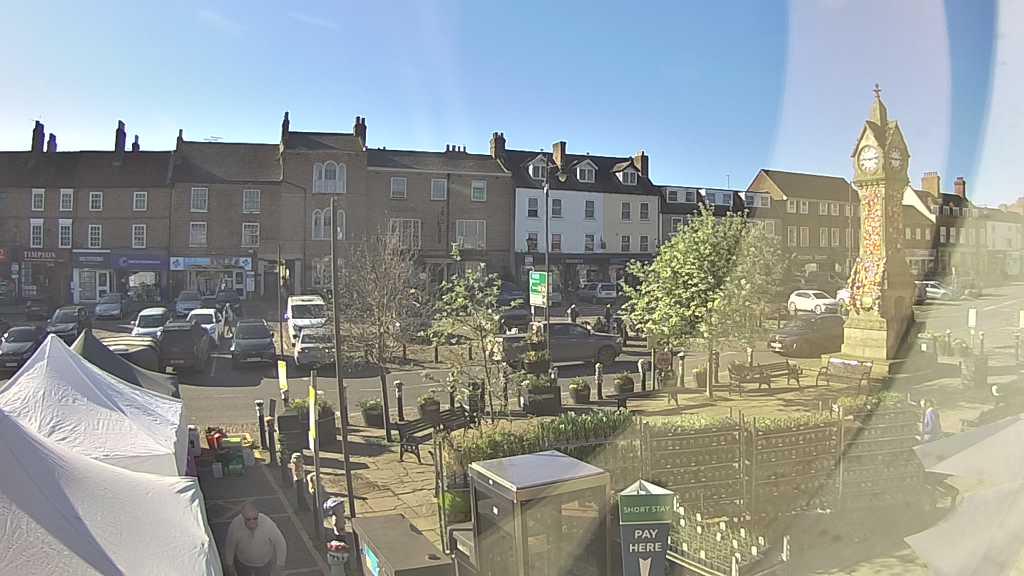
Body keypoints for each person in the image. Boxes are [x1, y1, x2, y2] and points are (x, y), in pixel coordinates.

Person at [223, 502, 287, 576]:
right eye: (248, 519)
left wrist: (280, 564)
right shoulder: (235, 525)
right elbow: (230, 546)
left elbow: (280, 542)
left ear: (258, 515)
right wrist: (229, 565)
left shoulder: (267, 523)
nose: (252, 522)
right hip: (242, 563)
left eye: (255, 518)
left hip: (264, 564)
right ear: (242, 516)